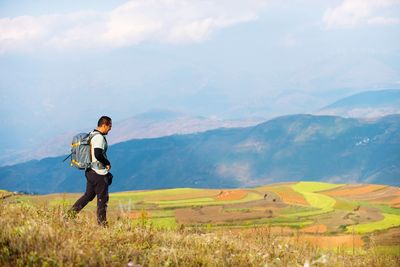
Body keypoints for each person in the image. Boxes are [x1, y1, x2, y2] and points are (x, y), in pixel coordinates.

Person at [68, 116, 113, 226]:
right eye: (109, 126)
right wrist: (107, 163)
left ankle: (69, 215)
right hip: (98, 173)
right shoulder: (99, 138)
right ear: (104, 125)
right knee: (102, 199)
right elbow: (98, 154)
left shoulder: (92, 134)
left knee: (88, 195)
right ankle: (102, 225)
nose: (110, 129)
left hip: (90, 171)